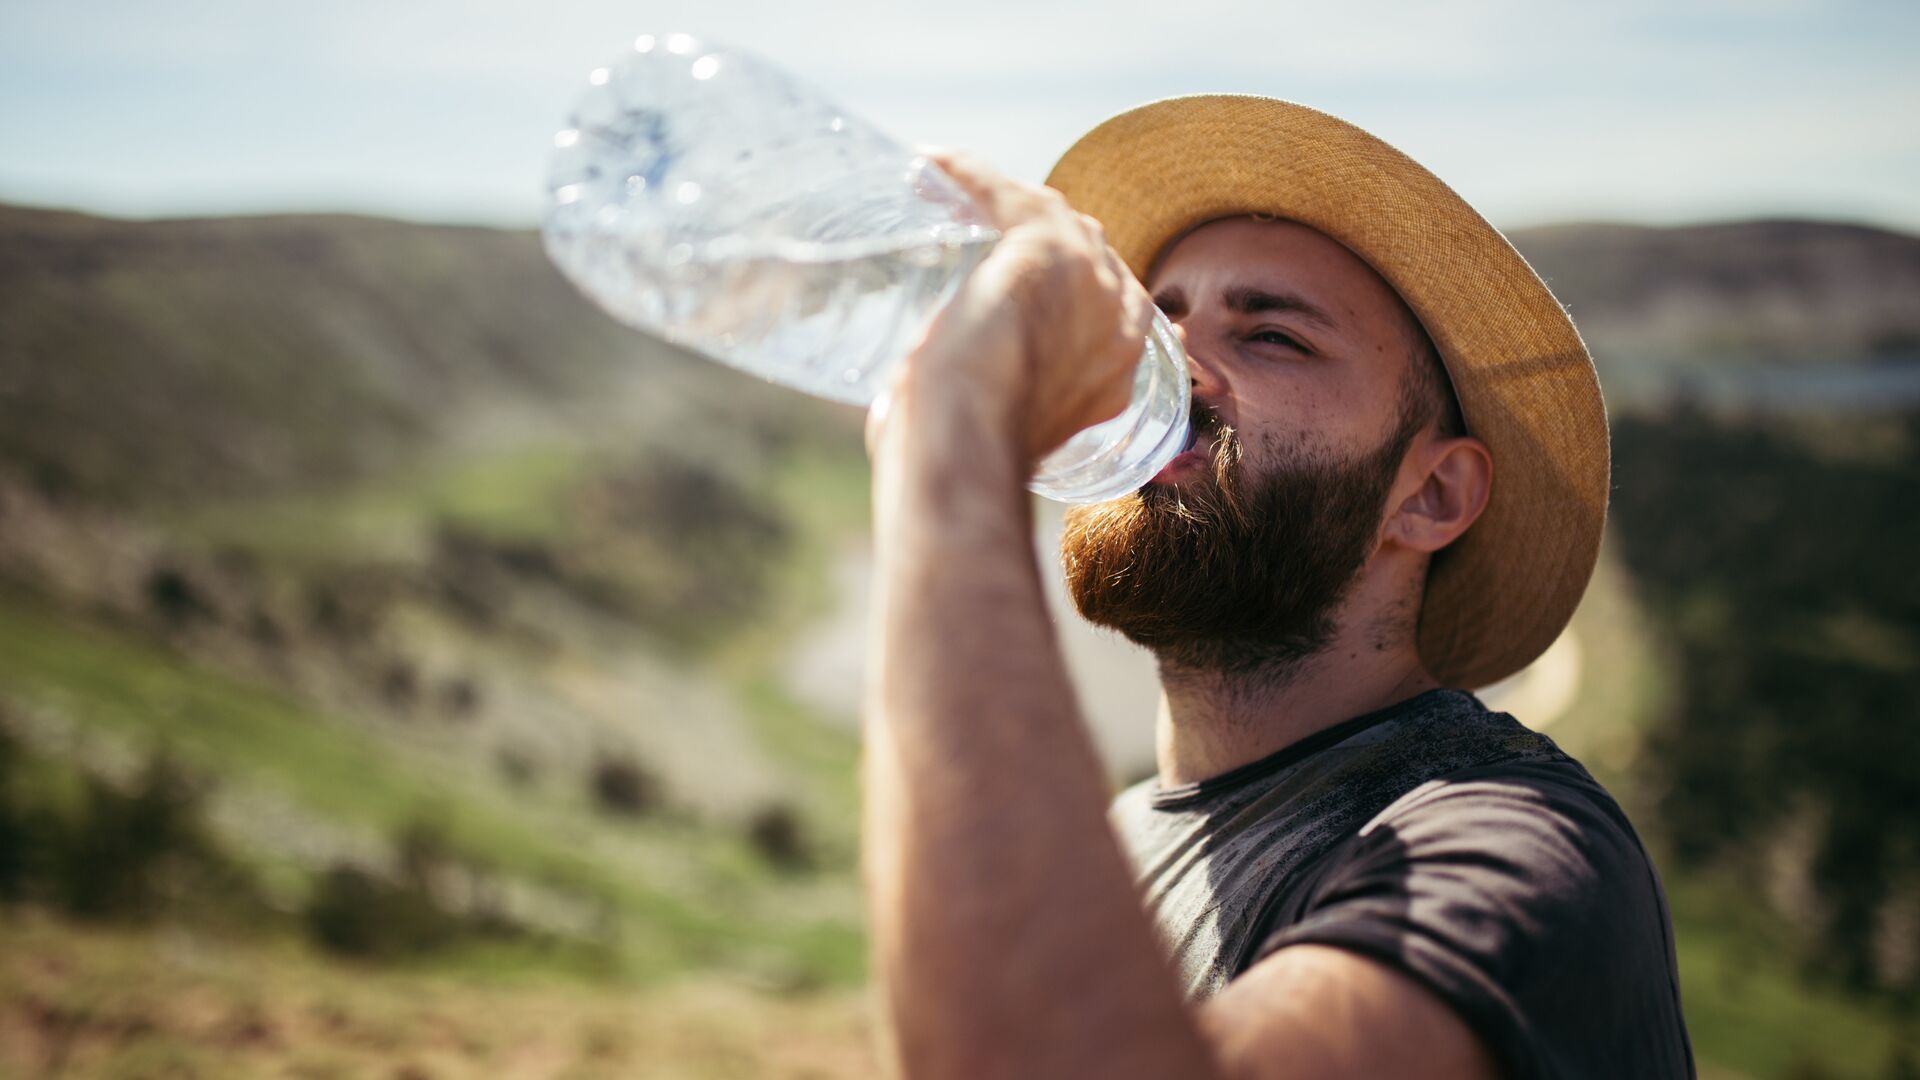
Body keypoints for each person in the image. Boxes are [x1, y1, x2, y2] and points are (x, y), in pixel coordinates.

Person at [859, 96, 1694, 1079]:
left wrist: (951, 443)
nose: (1171, 373)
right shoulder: (1116, 843)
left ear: (1428, 494)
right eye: (1156, 323)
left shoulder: (1516, 850)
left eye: (1273, 338)